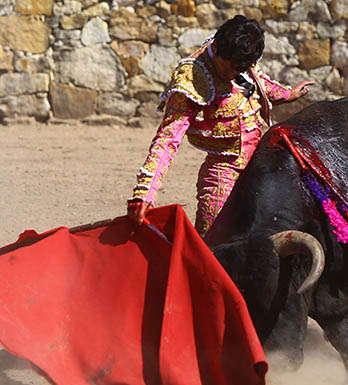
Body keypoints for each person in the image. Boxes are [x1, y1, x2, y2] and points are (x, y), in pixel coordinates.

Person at [127, 15, 314, 237]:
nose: (233, 75)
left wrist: (285, 94)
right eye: (228, 69)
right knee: (213, 242)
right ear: (215, 47)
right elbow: (167, 139)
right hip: (223, 172)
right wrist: (144, 193)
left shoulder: (239, 55)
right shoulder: (191, 79)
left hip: (260, 162)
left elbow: (256, 81)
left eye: (239, 70)